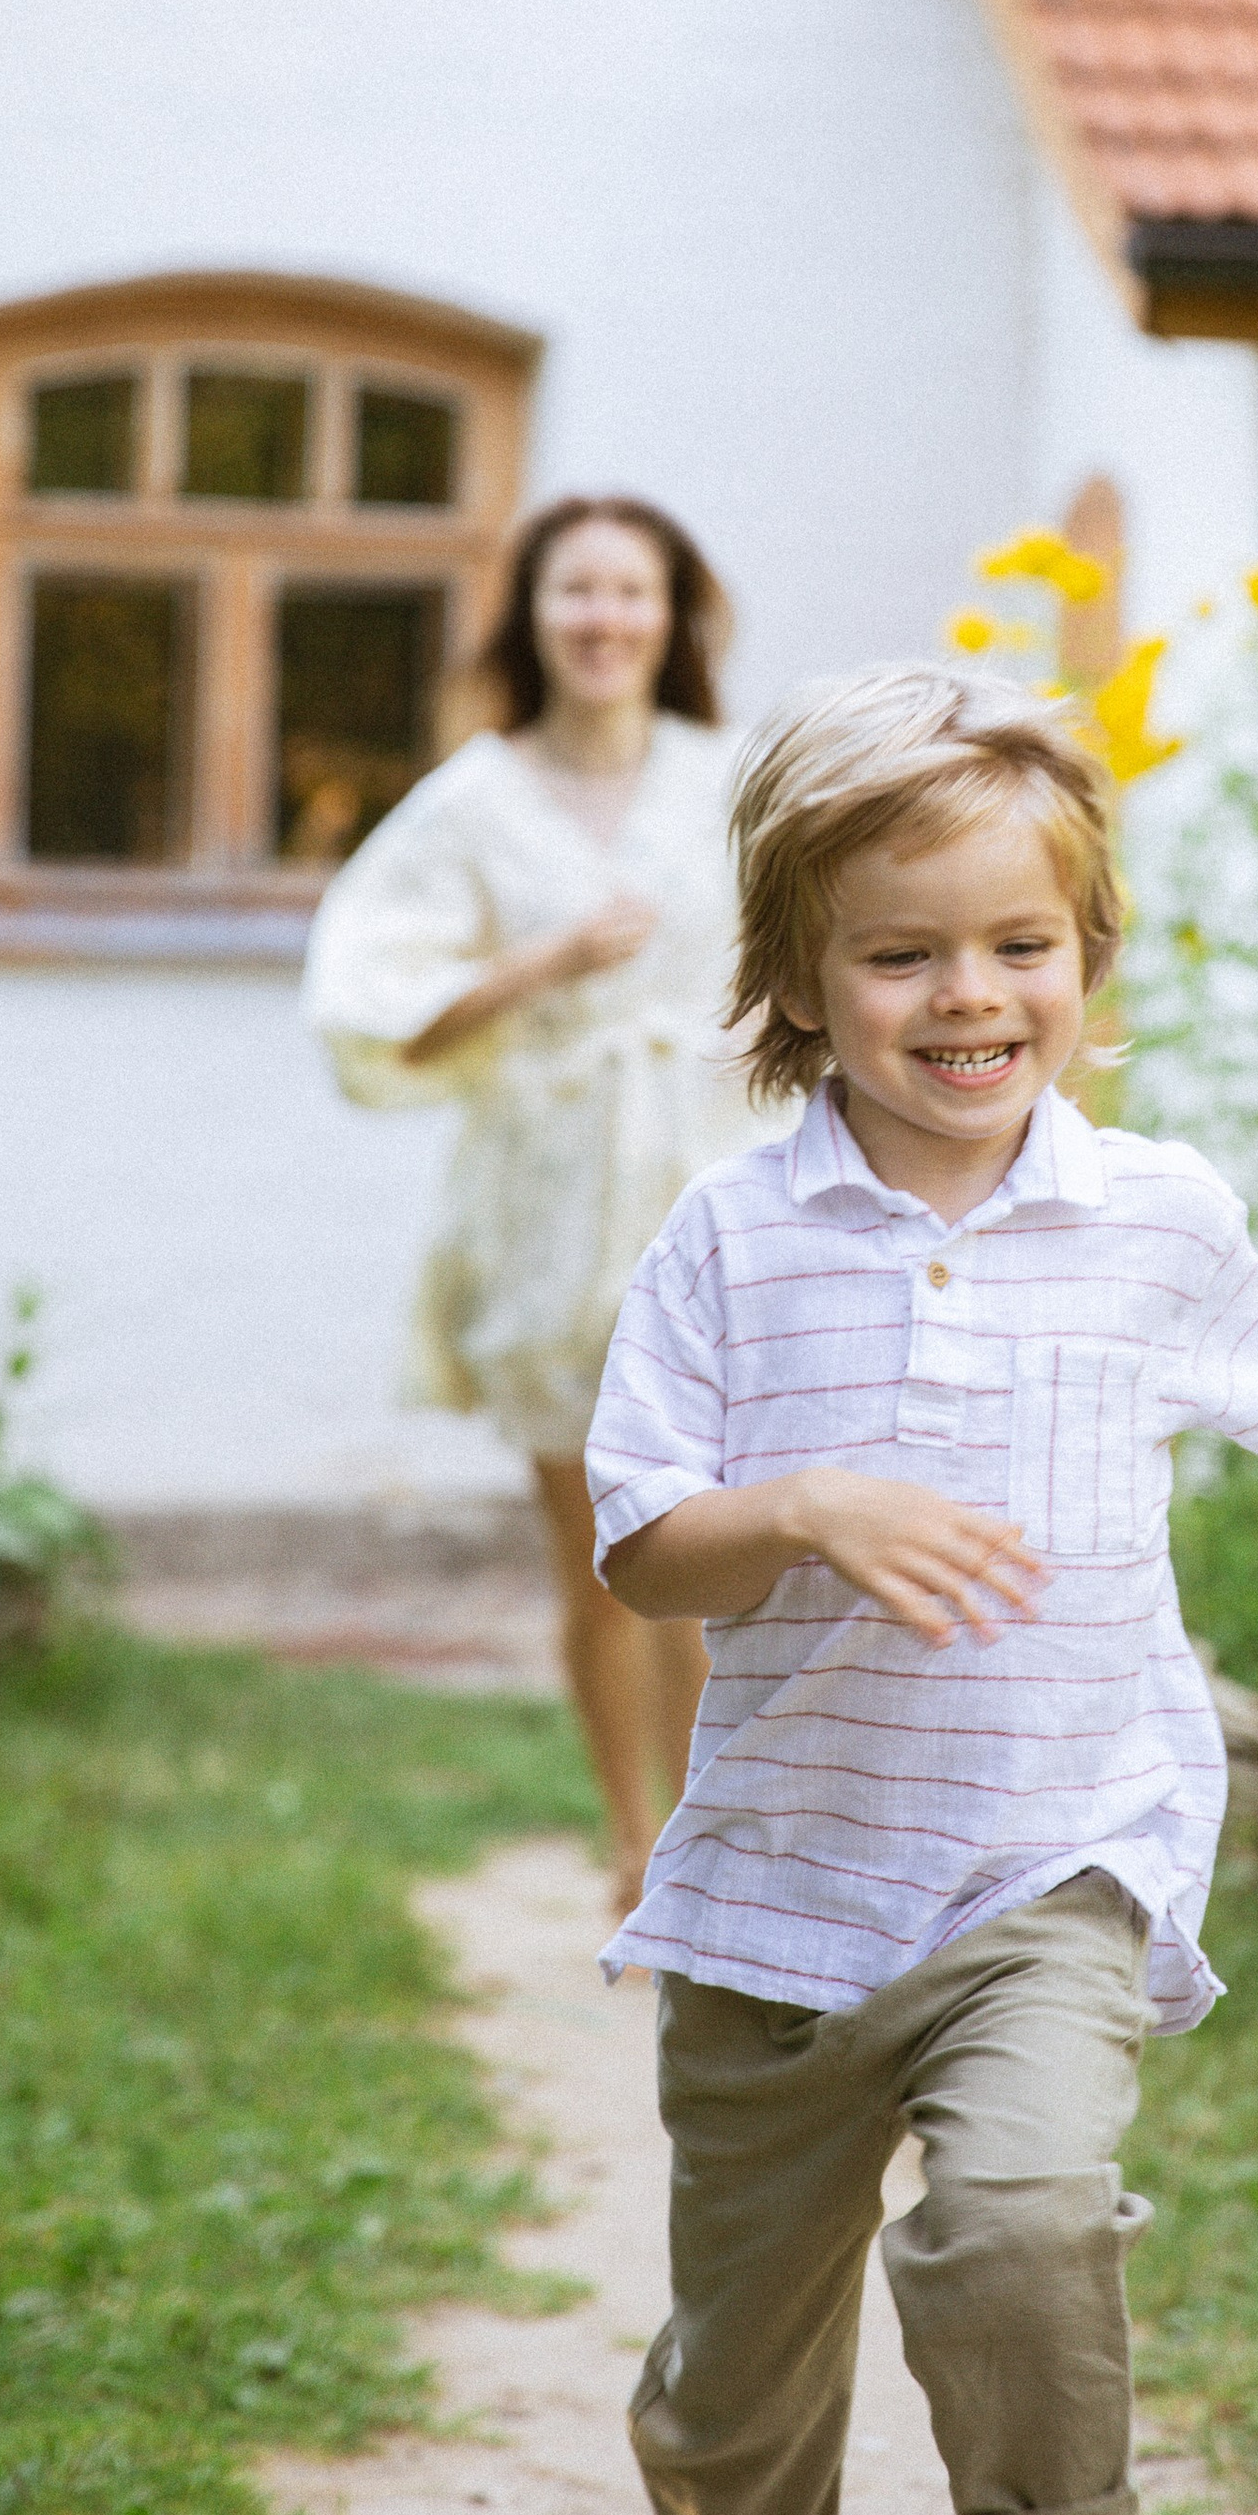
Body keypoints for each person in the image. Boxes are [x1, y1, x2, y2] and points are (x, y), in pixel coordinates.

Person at [586, 665, 1258, 2515]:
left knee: (1026, 2217)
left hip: (1052, 1851)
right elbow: (643, 1552)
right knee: (733, 2371)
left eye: (1015, 948)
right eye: (900, 953)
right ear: (796, 972)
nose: (967, 998)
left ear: (1084, 958)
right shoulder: (725, 1241)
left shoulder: (1151, 1216)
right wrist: (796, 1505)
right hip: (779, 1889)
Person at [304, 495, 764, 1915]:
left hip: (713, 1193)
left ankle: (710, 1847)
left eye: (632, 592)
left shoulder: (731, 777)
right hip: (552, 1206)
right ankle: (633, 1838)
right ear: (533, 616)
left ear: (672, 617)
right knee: (604, 1554)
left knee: (712, 1539)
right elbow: (381, 1017)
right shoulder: (472, 800)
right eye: (578, 592)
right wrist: (545, 962)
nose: (605, 619)